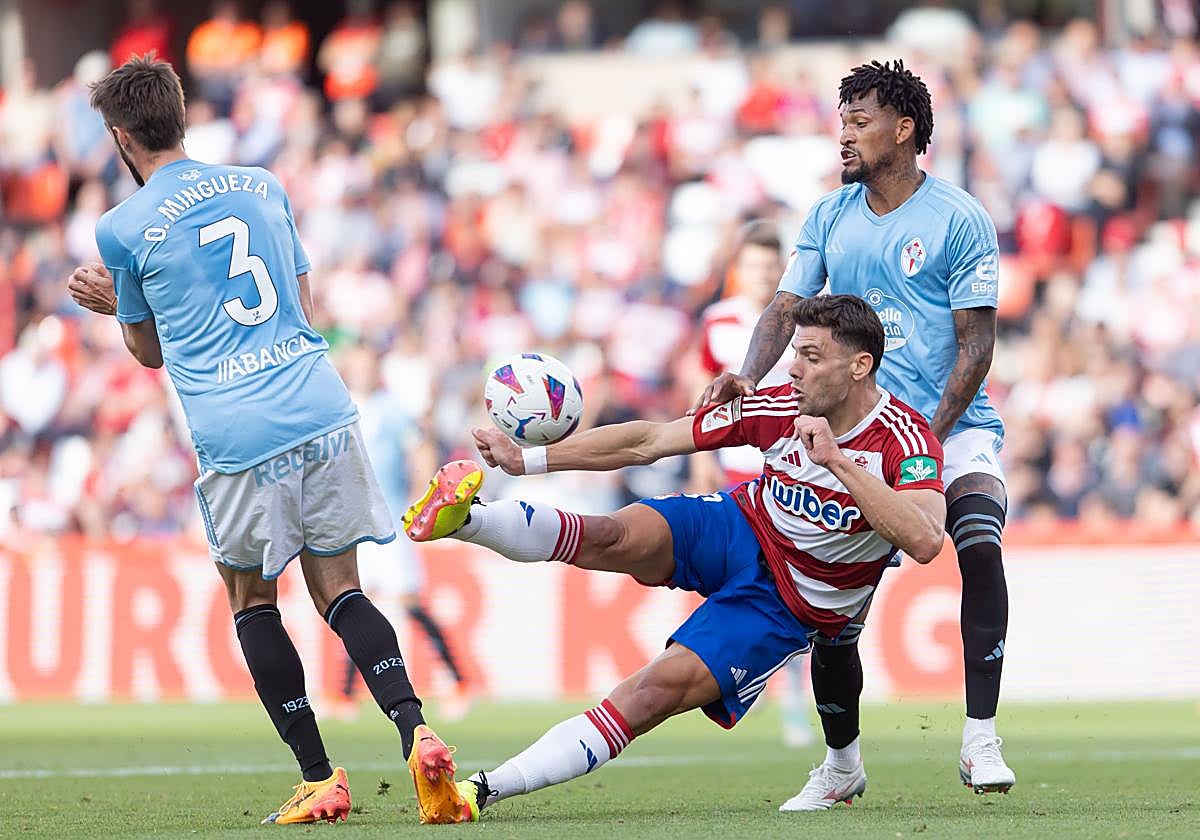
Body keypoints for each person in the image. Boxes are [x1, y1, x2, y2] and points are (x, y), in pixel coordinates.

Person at [64, 56, 471, 826]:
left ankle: (321, 776)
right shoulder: (262, 183)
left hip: (238, 429)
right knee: (341, 590)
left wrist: (117, 302)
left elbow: (151, 354)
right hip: (319, 404)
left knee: (252, 598)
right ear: (180, 113)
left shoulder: (119, 227)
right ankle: (416, 730)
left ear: (119, 136)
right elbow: (306, 305)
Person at [404, 294, 947, 821]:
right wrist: (528, 460)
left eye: (811, 356)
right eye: (795, 354)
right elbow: (650, 440)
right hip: (742, 525)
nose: (795, 369)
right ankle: (468, 520)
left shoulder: (906, 438)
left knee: (650, 693)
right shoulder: (782, 403)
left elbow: (924, 540)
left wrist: (836, 461)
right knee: (615, 535)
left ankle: (478, 790)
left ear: (860, 366)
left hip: (790, 601)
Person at [693, 59, 1015, 797]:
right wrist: (749, 373)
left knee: (979, 542)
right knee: (834, 620)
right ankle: (841, 766)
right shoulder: (829, 216)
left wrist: (927, 438)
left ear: (904, 131)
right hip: (855, 433)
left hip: (949, 426)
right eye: (841, 120)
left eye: (859, 121)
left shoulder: (959, 218)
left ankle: (980, 739)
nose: (844, 134)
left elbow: (976, 344)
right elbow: (782, 310)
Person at [692, 220, 814, 747]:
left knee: (793, 590)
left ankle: (793, 702)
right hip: (737, 469)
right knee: (732, 585)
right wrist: (702, 467)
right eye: (754, 265)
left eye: (771, 265)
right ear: (739, 269)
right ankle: (738, 684)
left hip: (785, 467)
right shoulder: (716, 322)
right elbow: (702, 394)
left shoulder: (801, 321)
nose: (763, 274)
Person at [331, 345, 470, 722]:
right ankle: (344, 694)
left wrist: (421, 496)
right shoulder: (340, 407)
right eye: (357, 364)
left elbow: (421, 447)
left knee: (408, 601)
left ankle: (457, 681)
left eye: (368, 364)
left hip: (390, 520)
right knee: (354, 603)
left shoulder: (390, 410)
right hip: (355, 523)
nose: (363, 370)